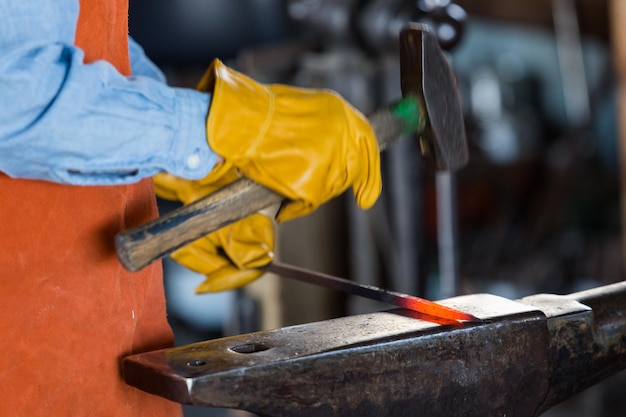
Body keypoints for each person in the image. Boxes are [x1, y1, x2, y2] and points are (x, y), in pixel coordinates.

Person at [0, 0, 381, 416]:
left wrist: (188, 168)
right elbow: (15, 100)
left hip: (105, 326)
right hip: (22, 334)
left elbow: (94, 39)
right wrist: (226, 127)